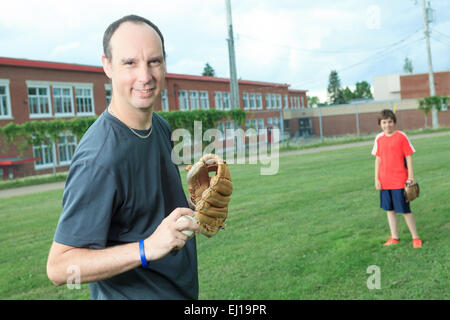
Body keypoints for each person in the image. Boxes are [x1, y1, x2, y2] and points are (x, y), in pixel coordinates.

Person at [46, 15, 201, 299]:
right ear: (107, 65)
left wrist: (198, 207)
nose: (145, 76)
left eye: (154, 61)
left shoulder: (159, 126)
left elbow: (150, 213)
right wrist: (146, 249)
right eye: (130, 63)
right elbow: (59, 268)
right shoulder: (99, 157)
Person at [371, 109, 423, 248]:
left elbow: (408, 156)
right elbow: (378, 158)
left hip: (400, 180)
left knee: (405, 210)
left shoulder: (401, 136)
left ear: (394, 122)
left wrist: (410, 177)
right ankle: (394, 237)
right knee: (390, 210)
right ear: (380, 124)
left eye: (390, 122)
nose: (387, 125)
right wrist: (377, 178)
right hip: (385, 180)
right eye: (384, 122)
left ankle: (415, 238)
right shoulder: (379, 138)